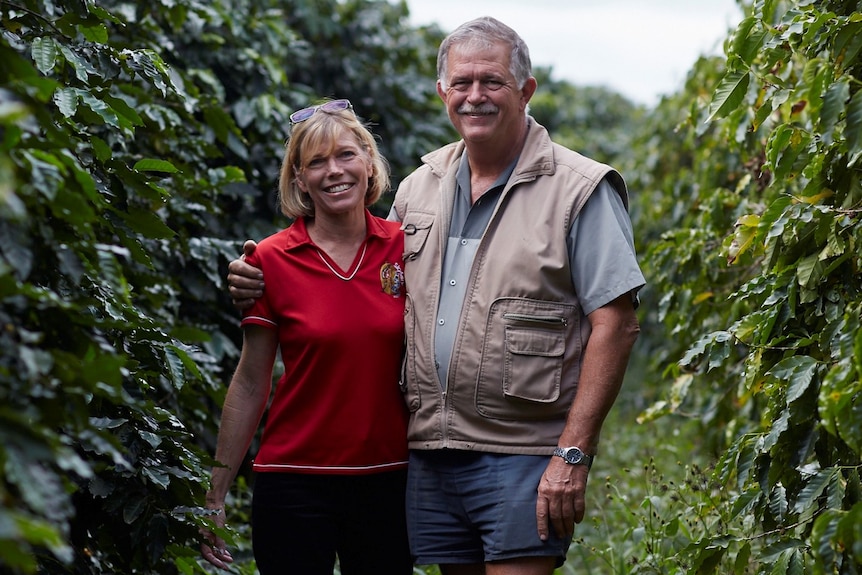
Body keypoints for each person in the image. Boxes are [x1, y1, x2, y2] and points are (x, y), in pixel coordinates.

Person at [228, 16, 645, 575]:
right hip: (431, 454)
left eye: (492, 82)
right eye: (462, 83)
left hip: (521, 450)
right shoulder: (419, 188)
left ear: (526, 90)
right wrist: (255, 274)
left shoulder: (578, 188)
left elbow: (615, 324)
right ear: (442, 92)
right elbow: (356, 272)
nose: (475, 96)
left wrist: (572, 453)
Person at [202, 99, 412, 575]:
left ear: (368, 162)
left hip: (389, 480)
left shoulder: (407, 248)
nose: (333, 171)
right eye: (316, 162)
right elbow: (252, 381)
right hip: (293, 482)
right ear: (298, 179)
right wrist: (215, 493)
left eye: (345, 155)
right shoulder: (270, 260)